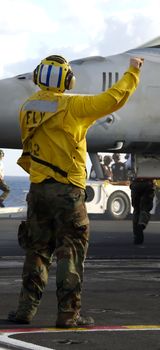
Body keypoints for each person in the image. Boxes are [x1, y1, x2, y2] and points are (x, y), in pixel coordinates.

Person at [8, 55, 143, 328]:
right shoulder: (73, 106)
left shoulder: (27, 107)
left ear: (38, 77)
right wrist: (133, 71)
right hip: (68, 191)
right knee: (70, 251)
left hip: (38, 190)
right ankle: (69, 314)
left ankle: (25, 310)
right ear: (67, 80)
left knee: (36, 251)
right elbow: (114, 98)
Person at [130, 178, 155, 244]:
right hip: (147, 184)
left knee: (136, 209)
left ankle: (136, 234)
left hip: (135, 184)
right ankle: (141, 225)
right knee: (145, 208)